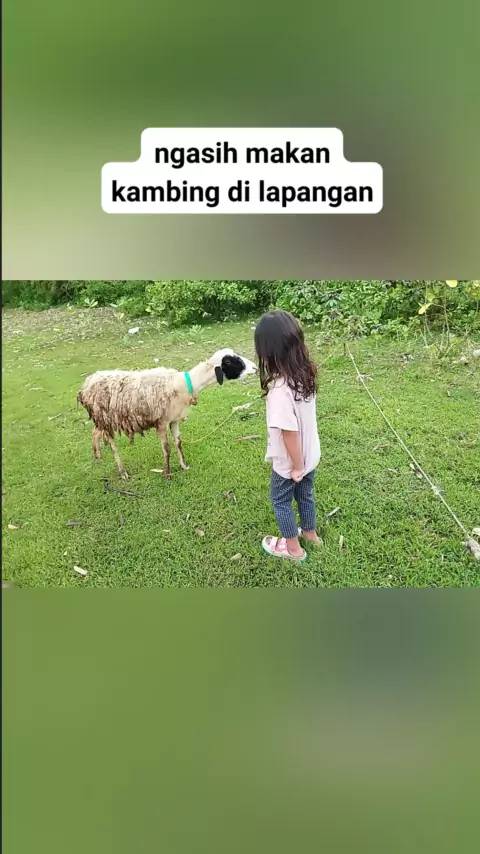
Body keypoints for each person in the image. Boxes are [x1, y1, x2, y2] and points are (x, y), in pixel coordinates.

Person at [254, 310, 322, 562]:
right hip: (310, 455)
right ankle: (311, 534)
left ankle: (293, 549)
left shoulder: (279, 391)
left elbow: (289, 433)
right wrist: (304, 464)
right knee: (305, 495)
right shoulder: (305, 376)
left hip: (290, 463)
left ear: (268, 351)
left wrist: (296, 466)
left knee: (280, 500)